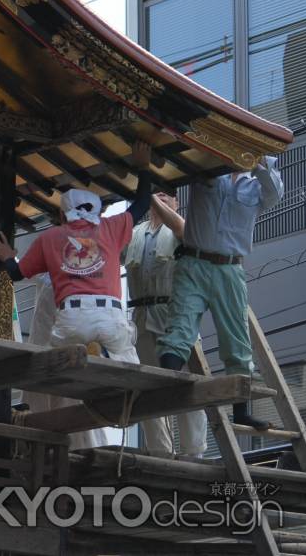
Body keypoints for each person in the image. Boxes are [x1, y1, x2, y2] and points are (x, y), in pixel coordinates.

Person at [0, 141, 152, 448]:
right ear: (97, 212)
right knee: (129, 362)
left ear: (63, 217)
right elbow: (142, 203)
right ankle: (124, 400)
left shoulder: (50, 238)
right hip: (111, 316)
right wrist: (143, 165)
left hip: (71, 320)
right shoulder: (111, 227)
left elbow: (15, 274)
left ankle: (34, 406)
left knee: (50, 365)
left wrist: (8, 255)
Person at [156, 156, 284, 430]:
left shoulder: (256, 185)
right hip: (193, 262)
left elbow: (275, 193)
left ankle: (241, 411)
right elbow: (181, 166)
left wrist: (260, 160)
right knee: (179, 327)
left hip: (230, 268)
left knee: (237, 341)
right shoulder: (206, 169)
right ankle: (163, 391)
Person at [125, 191, 207, 457]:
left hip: (176, 316)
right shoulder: (135, 233)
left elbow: (182, 230)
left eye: (167, 195)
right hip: (142, 317)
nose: (160, 197)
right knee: (148, 387)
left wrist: (154, 201)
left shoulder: (183, 227)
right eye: (156, 192)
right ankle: (160, 451)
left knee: (187, 384)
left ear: (176, 202)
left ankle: (193, 451)